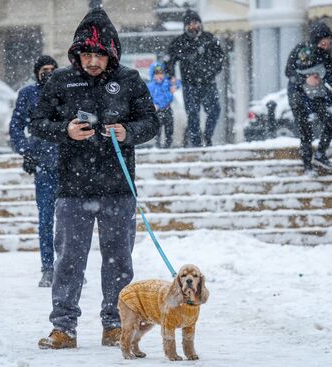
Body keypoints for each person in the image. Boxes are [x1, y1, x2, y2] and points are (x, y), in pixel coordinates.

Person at [30, 8, 158, 349]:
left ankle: (115, 325)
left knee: (118, 261)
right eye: (85, 54)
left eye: (98, 55)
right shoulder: (60, 80)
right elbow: (37, 123)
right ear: (76, 54)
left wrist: (127, 131)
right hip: (73, 188)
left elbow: (151, 122)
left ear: (111, 52)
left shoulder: (129, 80)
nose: (91, 61)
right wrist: (66, 130)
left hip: (118, 187)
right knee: (69, 259)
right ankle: (64, 328)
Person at [9, 55, 59, 287]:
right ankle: (47, 267)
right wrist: (26, 151)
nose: (48, 73)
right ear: (37, 72)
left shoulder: (66, 90)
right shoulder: (28, 94)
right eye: (44, 70)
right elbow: (16, 126)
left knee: (71, 221)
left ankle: (68, 264)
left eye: (52, 69)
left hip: (70, 165)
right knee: (46, 218)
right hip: (43, 164)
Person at [285, 21, 332, 175]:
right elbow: (289, 72)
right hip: (298, 93)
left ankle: (320, 154)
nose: (326, 44)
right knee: (305, 129)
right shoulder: (301, 50)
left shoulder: (325, 54)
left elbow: (330, 74)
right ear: (315, 40)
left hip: (316, 93)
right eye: (323, 41)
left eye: (328, 41)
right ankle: (308, 167)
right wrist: (304, 80)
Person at [165, 9, 224, 147]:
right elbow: (169, 60)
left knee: (215, 110)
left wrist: (212, 71)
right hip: (189, 84)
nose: (193, 26)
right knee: (192, 114)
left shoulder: (209, 39)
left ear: (200, 24)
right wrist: (171, 75)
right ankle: (196, 142)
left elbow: (220, 58)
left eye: (196, 23)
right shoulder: (179, 42)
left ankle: (208, 136)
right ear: (185, 26)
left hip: (208, 83)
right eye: (190, 24)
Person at [147, 61, 180, 148]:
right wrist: (153, 105)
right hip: (157, 111)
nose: (159, 76)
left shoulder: (167, 83)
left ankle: (168, 144)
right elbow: (147, 98)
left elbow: (178, 83)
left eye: (161, 73)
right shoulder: (150, 86)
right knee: (158, 129)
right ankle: (157, 145)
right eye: (157, 74)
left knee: (169, 128)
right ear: (152, 75)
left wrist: (174, 84)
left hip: (167, 109)